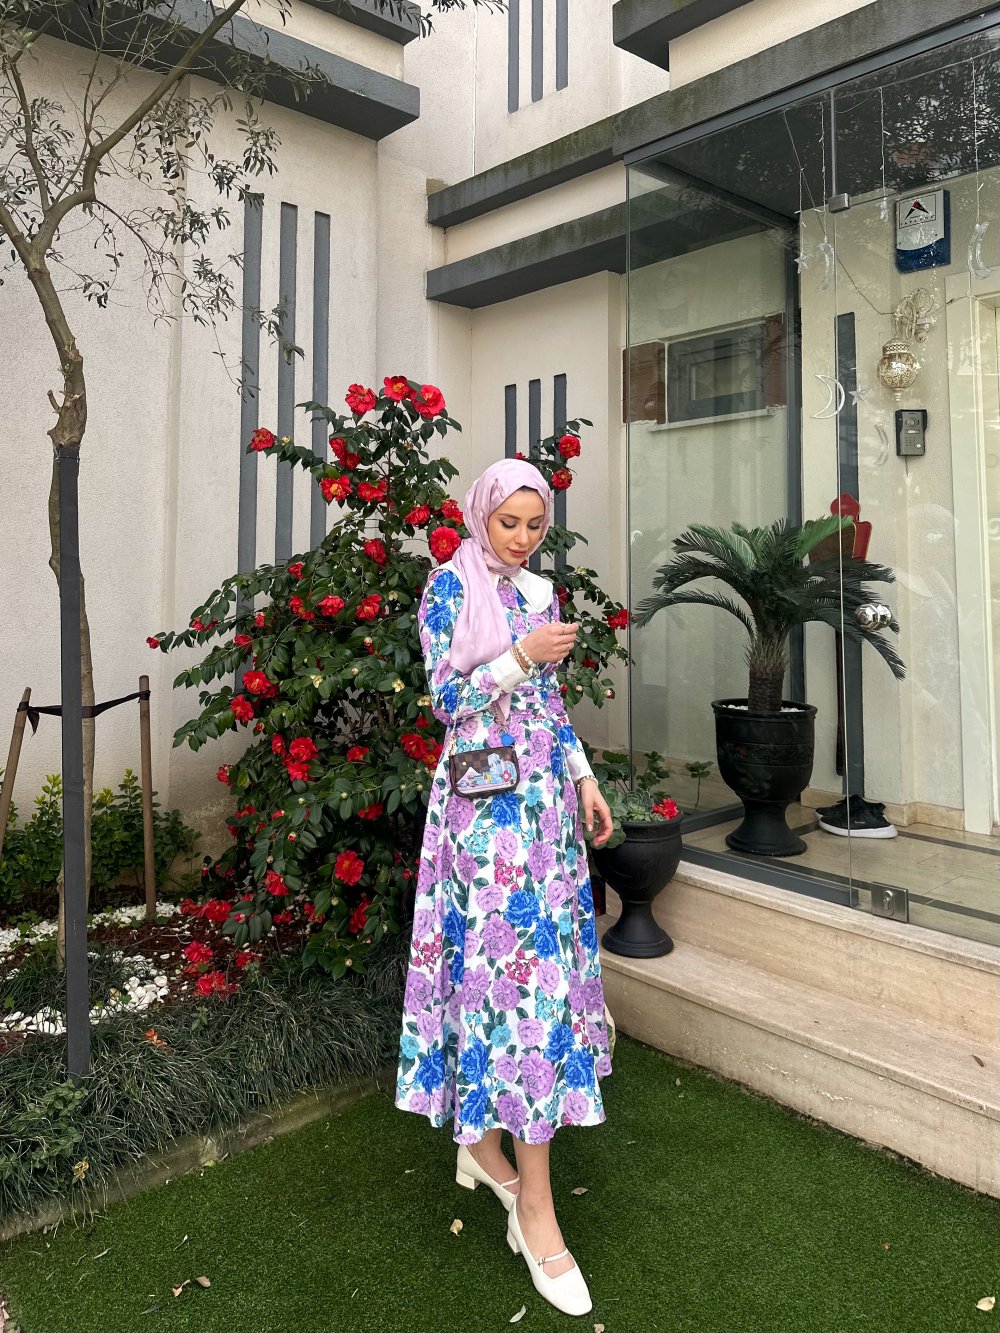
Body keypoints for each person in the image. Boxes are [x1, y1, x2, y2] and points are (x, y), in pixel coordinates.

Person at [395, 458, 614, 1318]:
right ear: (481, 515)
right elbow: (447, 699)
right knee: (505, 987)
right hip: (482, 820)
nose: (522, 537)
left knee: (533, 985)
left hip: (544, 812)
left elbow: (551, 706)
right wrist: (519, 656)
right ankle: (532, 1204)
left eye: (535, 524)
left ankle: (488, 1154)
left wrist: (584, 776)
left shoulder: (538, 591)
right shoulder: (448, 587)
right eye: (509, 522)